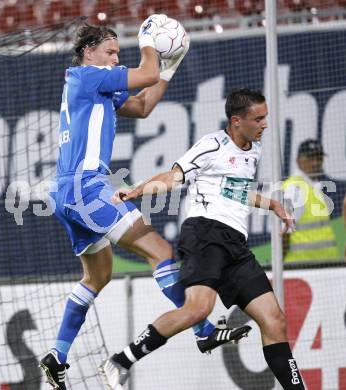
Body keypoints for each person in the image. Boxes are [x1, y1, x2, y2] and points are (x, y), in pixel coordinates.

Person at [39, 15, 247, 390]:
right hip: (87, 189)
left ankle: (57, 356)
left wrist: (169, 67)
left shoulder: (93, 84)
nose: (118, 58)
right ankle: (201, 329)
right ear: (89, 52)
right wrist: (150, 40)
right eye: (111, 51)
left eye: (120, 52)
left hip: (65, 194)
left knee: (97, 276)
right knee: (161, 252)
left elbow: (143, 104)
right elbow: (146, 72)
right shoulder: (89, 75)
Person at [104, 89, 305, 389]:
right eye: (258, 119)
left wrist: (273, 204)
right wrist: (136, 191)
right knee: (198, 309)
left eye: (265, 117)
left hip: (235, 245)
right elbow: (173, 176)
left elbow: (233, 190)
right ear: (236, 121)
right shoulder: (211, 145)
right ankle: (121, 360)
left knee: (274, 320)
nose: (265, 124)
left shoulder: (253, 150)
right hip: (205, 234)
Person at [282, 139, 340, 263]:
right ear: (298, 161)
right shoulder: (293, 188)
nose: (315, 163)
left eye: (319, 158)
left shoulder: (315, 186)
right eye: (310, 158)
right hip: (301, 268)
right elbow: (284, 233)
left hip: (328, 266)